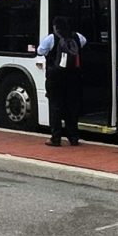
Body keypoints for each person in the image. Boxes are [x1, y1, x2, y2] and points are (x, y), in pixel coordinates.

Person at [37, 16, 86, 147]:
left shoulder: (52, 38)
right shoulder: (77, 37)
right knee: (72, 107)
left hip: (55, 78)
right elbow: (84, 43)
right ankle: (74, 137)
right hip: (73, 78)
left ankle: (56, 138)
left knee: (55, 107)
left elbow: (40, 51)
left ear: (55, 27)